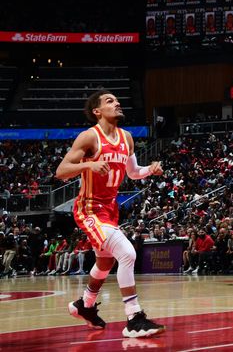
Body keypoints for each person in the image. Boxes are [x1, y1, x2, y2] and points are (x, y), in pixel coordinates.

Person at [56, 90, 165, 338]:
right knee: (127, 253)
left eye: (116, 100)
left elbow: (134, 172)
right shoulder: (89, 137)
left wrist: (151, 169)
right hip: (89, 208)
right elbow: (61, 171)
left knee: (105, 262)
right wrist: (88, 164)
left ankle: (85, 304)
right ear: (97, 111)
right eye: (109, 101)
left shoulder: (127, 138)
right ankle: (134, 318)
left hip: (110, 209)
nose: (117, 103)